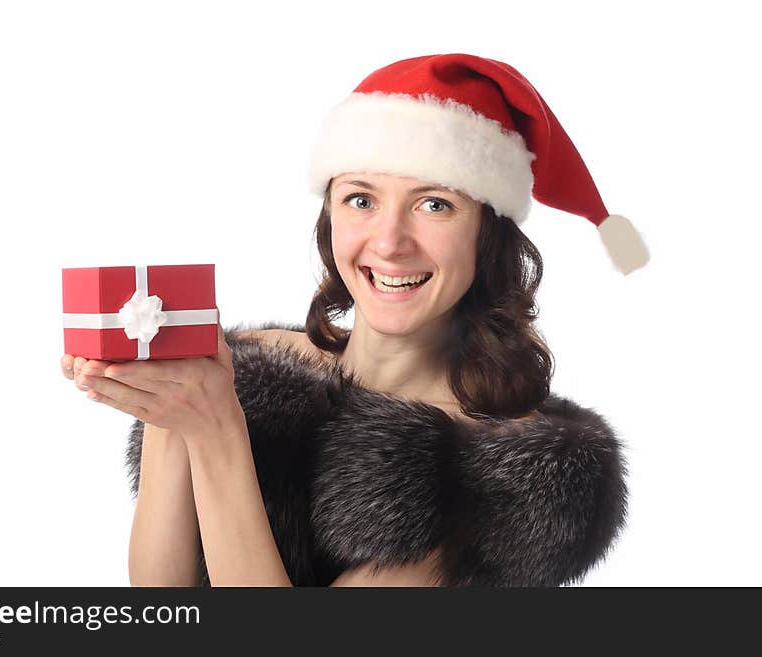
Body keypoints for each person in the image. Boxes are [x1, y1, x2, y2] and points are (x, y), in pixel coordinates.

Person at [61, 53, 647, 587]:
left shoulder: (499, 471)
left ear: (486, 236)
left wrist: (216, 432)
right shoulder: (250, 365)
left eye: (434, 204)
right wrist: (170, 409)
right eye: (361, 199)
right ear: (330, 219)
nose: (389, 242)